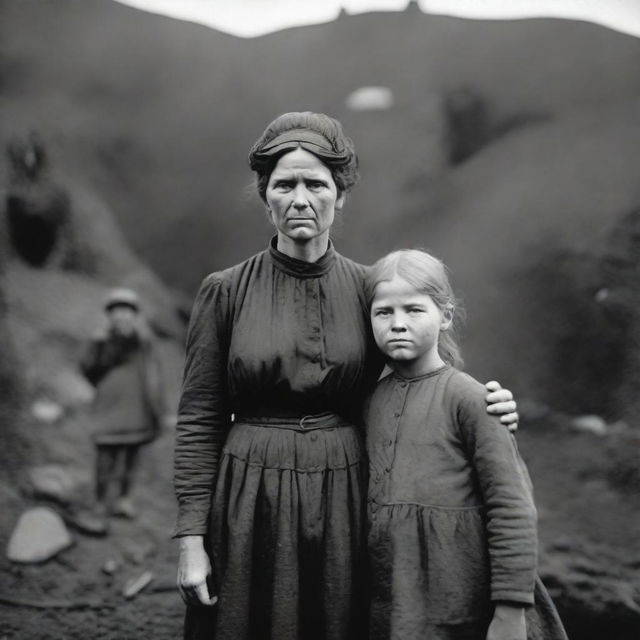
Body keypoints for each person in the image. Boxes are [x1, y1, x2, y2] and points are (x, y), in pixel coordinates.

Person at [173, 112, 519, 640]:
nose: (300, 198)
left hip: (348, 493)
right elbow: (199, 419)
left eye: (316, 183)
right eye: (284, 185)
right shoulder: (225, 290)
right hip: (248, 494)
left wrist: (484, 404)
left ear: (340, 194)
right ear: (266, 195)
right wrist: (191, 540)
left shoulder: (369, 292)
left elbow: (418, 378)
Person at [364, 249, 567, 640]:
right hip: (396, 603)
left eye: (414, 310)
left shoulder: (472, 400)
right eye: (383, 312)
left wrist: (510, 611)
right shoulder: (368, 401)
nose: (398, 324)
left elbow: (512, 508)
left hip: (464, 600)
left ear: (446, 316)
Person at [80, 287, 169, 532]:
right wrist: (100, 352)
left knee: (131, 456)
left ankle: (123, 499)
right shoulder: (99, 339)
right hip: (109, 407)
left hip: (137, 406)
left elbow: (154, 372)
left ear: (134, 314)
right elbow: (88, 369)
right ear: (110, 314)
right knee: (105, 456)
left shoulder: (144, 341)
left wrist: (156, 404)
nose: (122, 315)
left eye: (127, 310)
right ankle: (99, 502)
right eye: (117, 310)